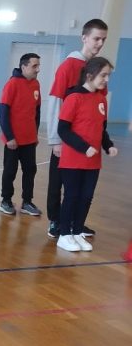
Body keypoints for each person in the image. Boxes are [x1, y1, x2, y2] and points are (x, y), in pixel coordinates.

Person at [46, 18, 108, 239]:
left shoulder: (99, 69)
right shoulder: (69, 66)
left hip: (87, 141)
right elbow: (55, 101)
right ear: (84, 38)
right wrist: (55, 139)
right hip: (66, 137)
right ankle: (56, 221)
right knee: (58, 182)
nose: (100, 43)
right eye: (96, 38)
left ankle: (75, 223)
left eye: (103, 39)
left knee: (81, 187)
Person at [56, 57, 117, 252]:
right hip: (73, 160)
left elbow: (101, 129)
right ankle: (64, 234)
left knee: (86, 197)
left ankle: (76, 232)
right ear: (90, 75)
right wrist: (84, 147)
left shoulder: (101, 100)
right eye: (103, 75)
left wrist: (108, 146)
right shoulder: (74, 98)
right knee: (72, 196)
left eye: (108, 75)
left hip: (93, 162)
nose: (106, 79)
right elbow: (63, 130)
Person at [0, 53, 42, 217]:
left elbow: (37, 112)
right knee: (10, 171)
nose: (38, 69)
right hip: (13, 140)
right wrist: (9, 137)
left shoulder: (36, 84)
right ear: (23, 67)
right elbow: (2, 114)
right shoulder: (12, 84)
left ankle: (27, 202)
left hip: (29, 139)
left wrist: (35, 134)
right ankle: (6, 201)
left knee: (30, 170)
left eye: (38, 66)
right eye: (34, 66)